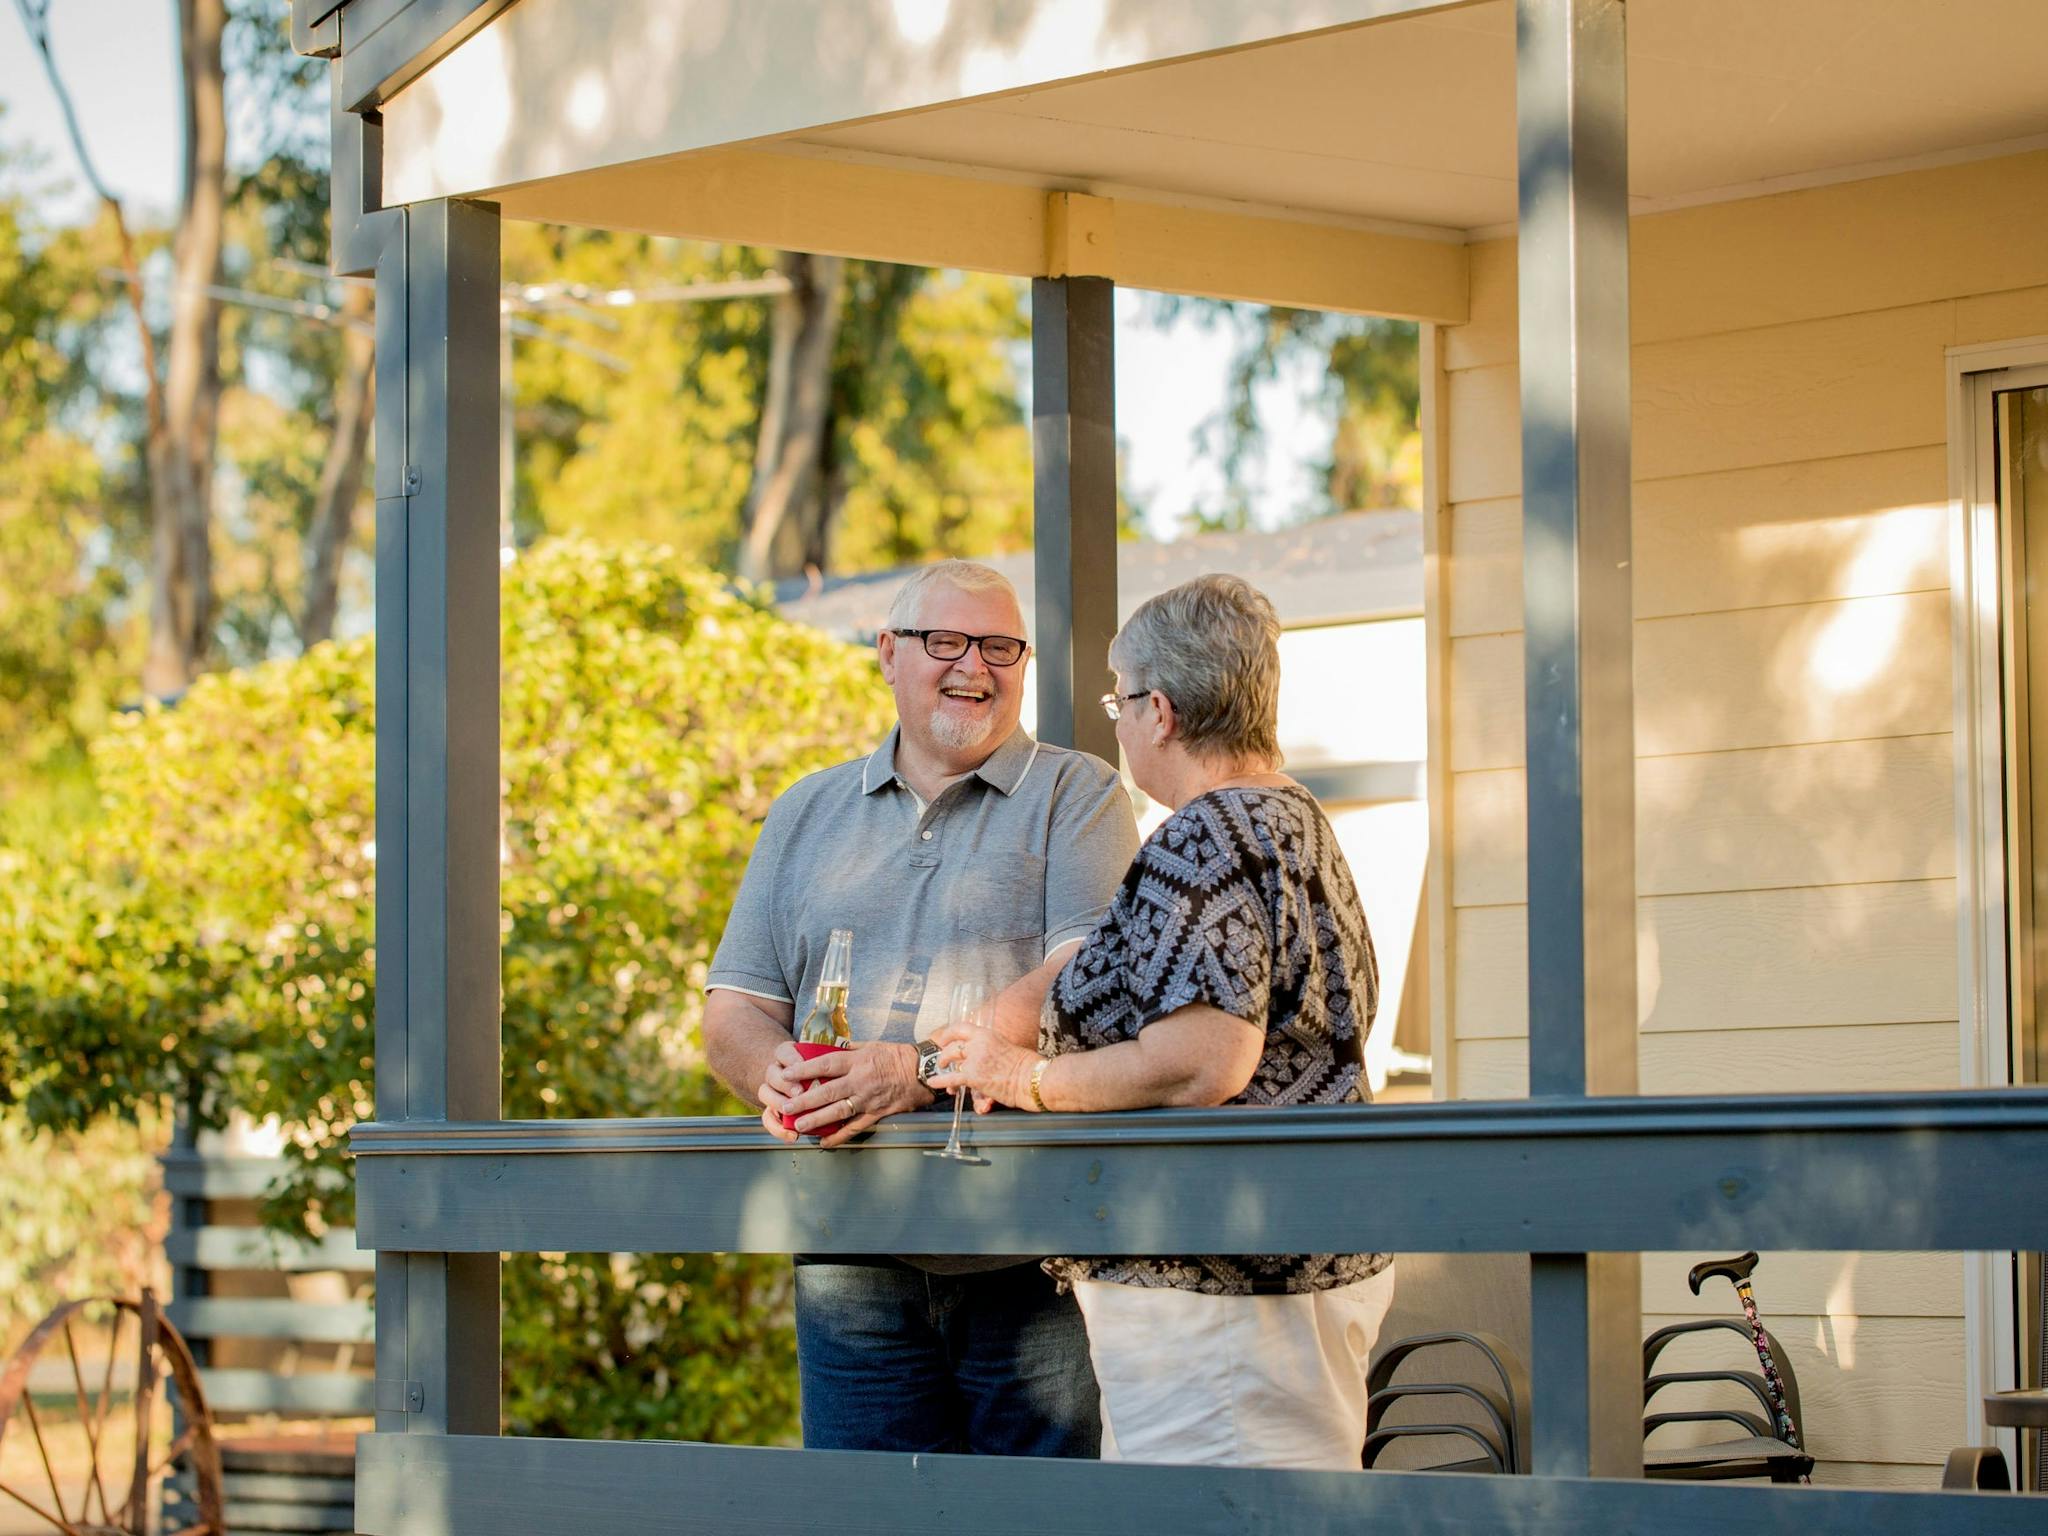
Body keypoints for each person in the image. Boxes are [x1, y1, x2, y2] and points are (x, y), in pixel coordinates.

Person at [931, 572, 1393, 1470]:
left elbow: (1202, 1061)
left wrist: (1018, 1078)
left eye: (1117, 699)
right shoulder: (1292, 818)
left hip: (1220, 1291)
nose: (1115, 720)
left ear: (1162, 711)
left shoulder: (1203, 838)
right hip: (1303, 1256)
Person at [702, 558, 1139, 1457]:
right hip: (846, 1247)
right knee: (867, 1528)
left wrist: (914, 1070)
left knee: (1035, 1534)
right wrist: (766, 1067)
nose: (974, 667)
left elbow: (1081, 969)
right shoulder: (804, 812)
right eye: (946, 641)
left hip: (1028, 1252)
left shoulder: (1078, 793)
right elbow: (735, 1004)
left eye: (1000, 647)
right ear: (888, 654)